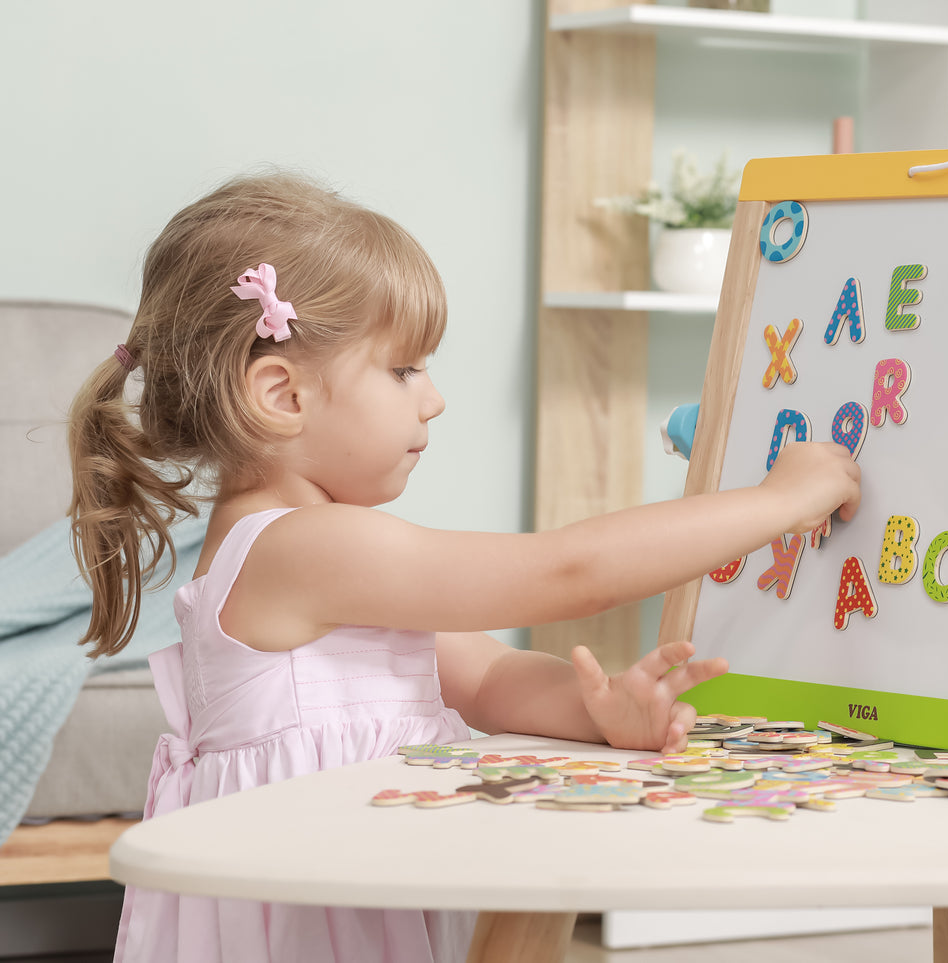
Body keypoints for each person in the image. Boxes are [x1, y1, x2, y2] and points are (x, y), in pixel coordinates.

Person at [67, 172, 861, 963]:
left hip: (358, 905)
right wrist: (775, 502)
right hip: (306, 922)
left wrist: (596, 712)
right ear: (282, 393)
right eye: (405, 369)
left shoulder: (319, 564)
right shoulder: (303, 549)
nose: (434, 398)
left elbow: (484, 679)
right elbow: (566, 572)